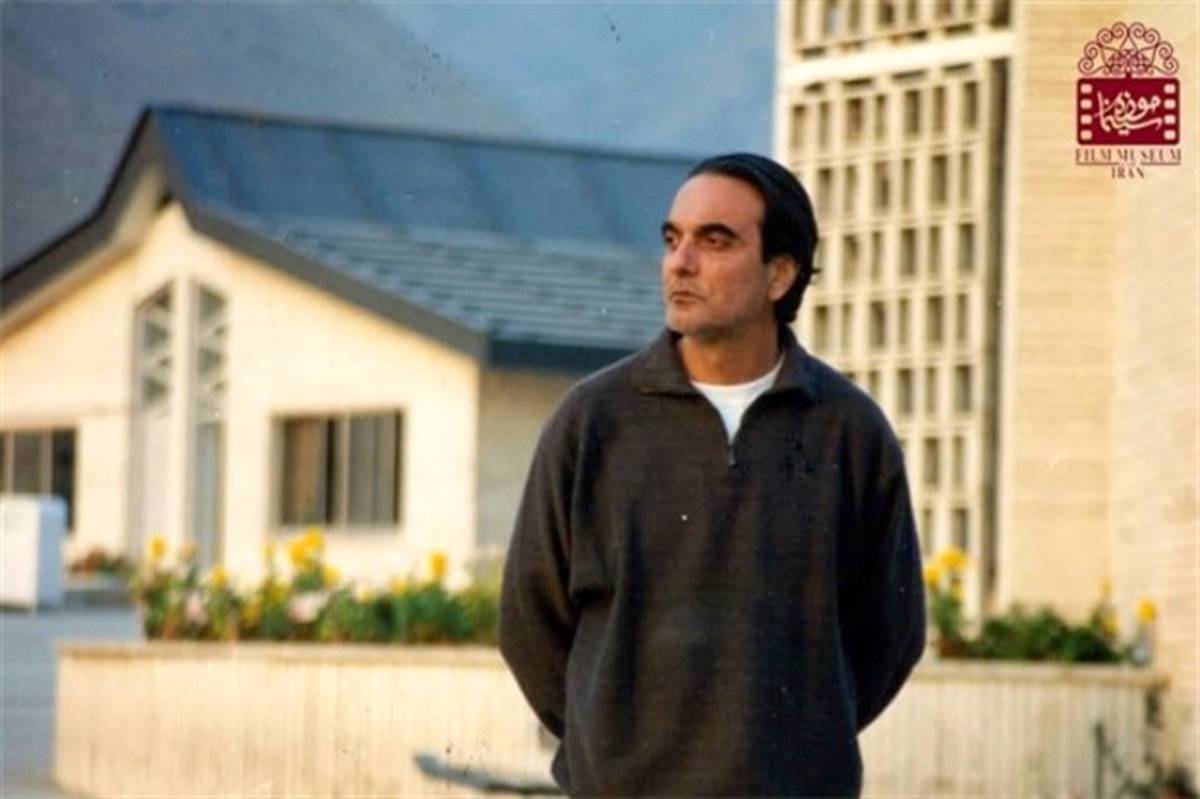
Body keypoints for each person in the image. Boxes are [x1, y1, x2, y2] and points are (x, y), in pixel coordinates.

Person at [499, 152, 925, 797]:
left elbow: (890, 636)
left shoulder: (851, 431)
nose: (681, 262)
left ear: (780, 273)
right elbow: (529, 623)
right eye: (673, 240)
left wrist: (798, 753)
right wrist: (606, 750)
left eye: (715, 241)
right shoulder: (591, 422)